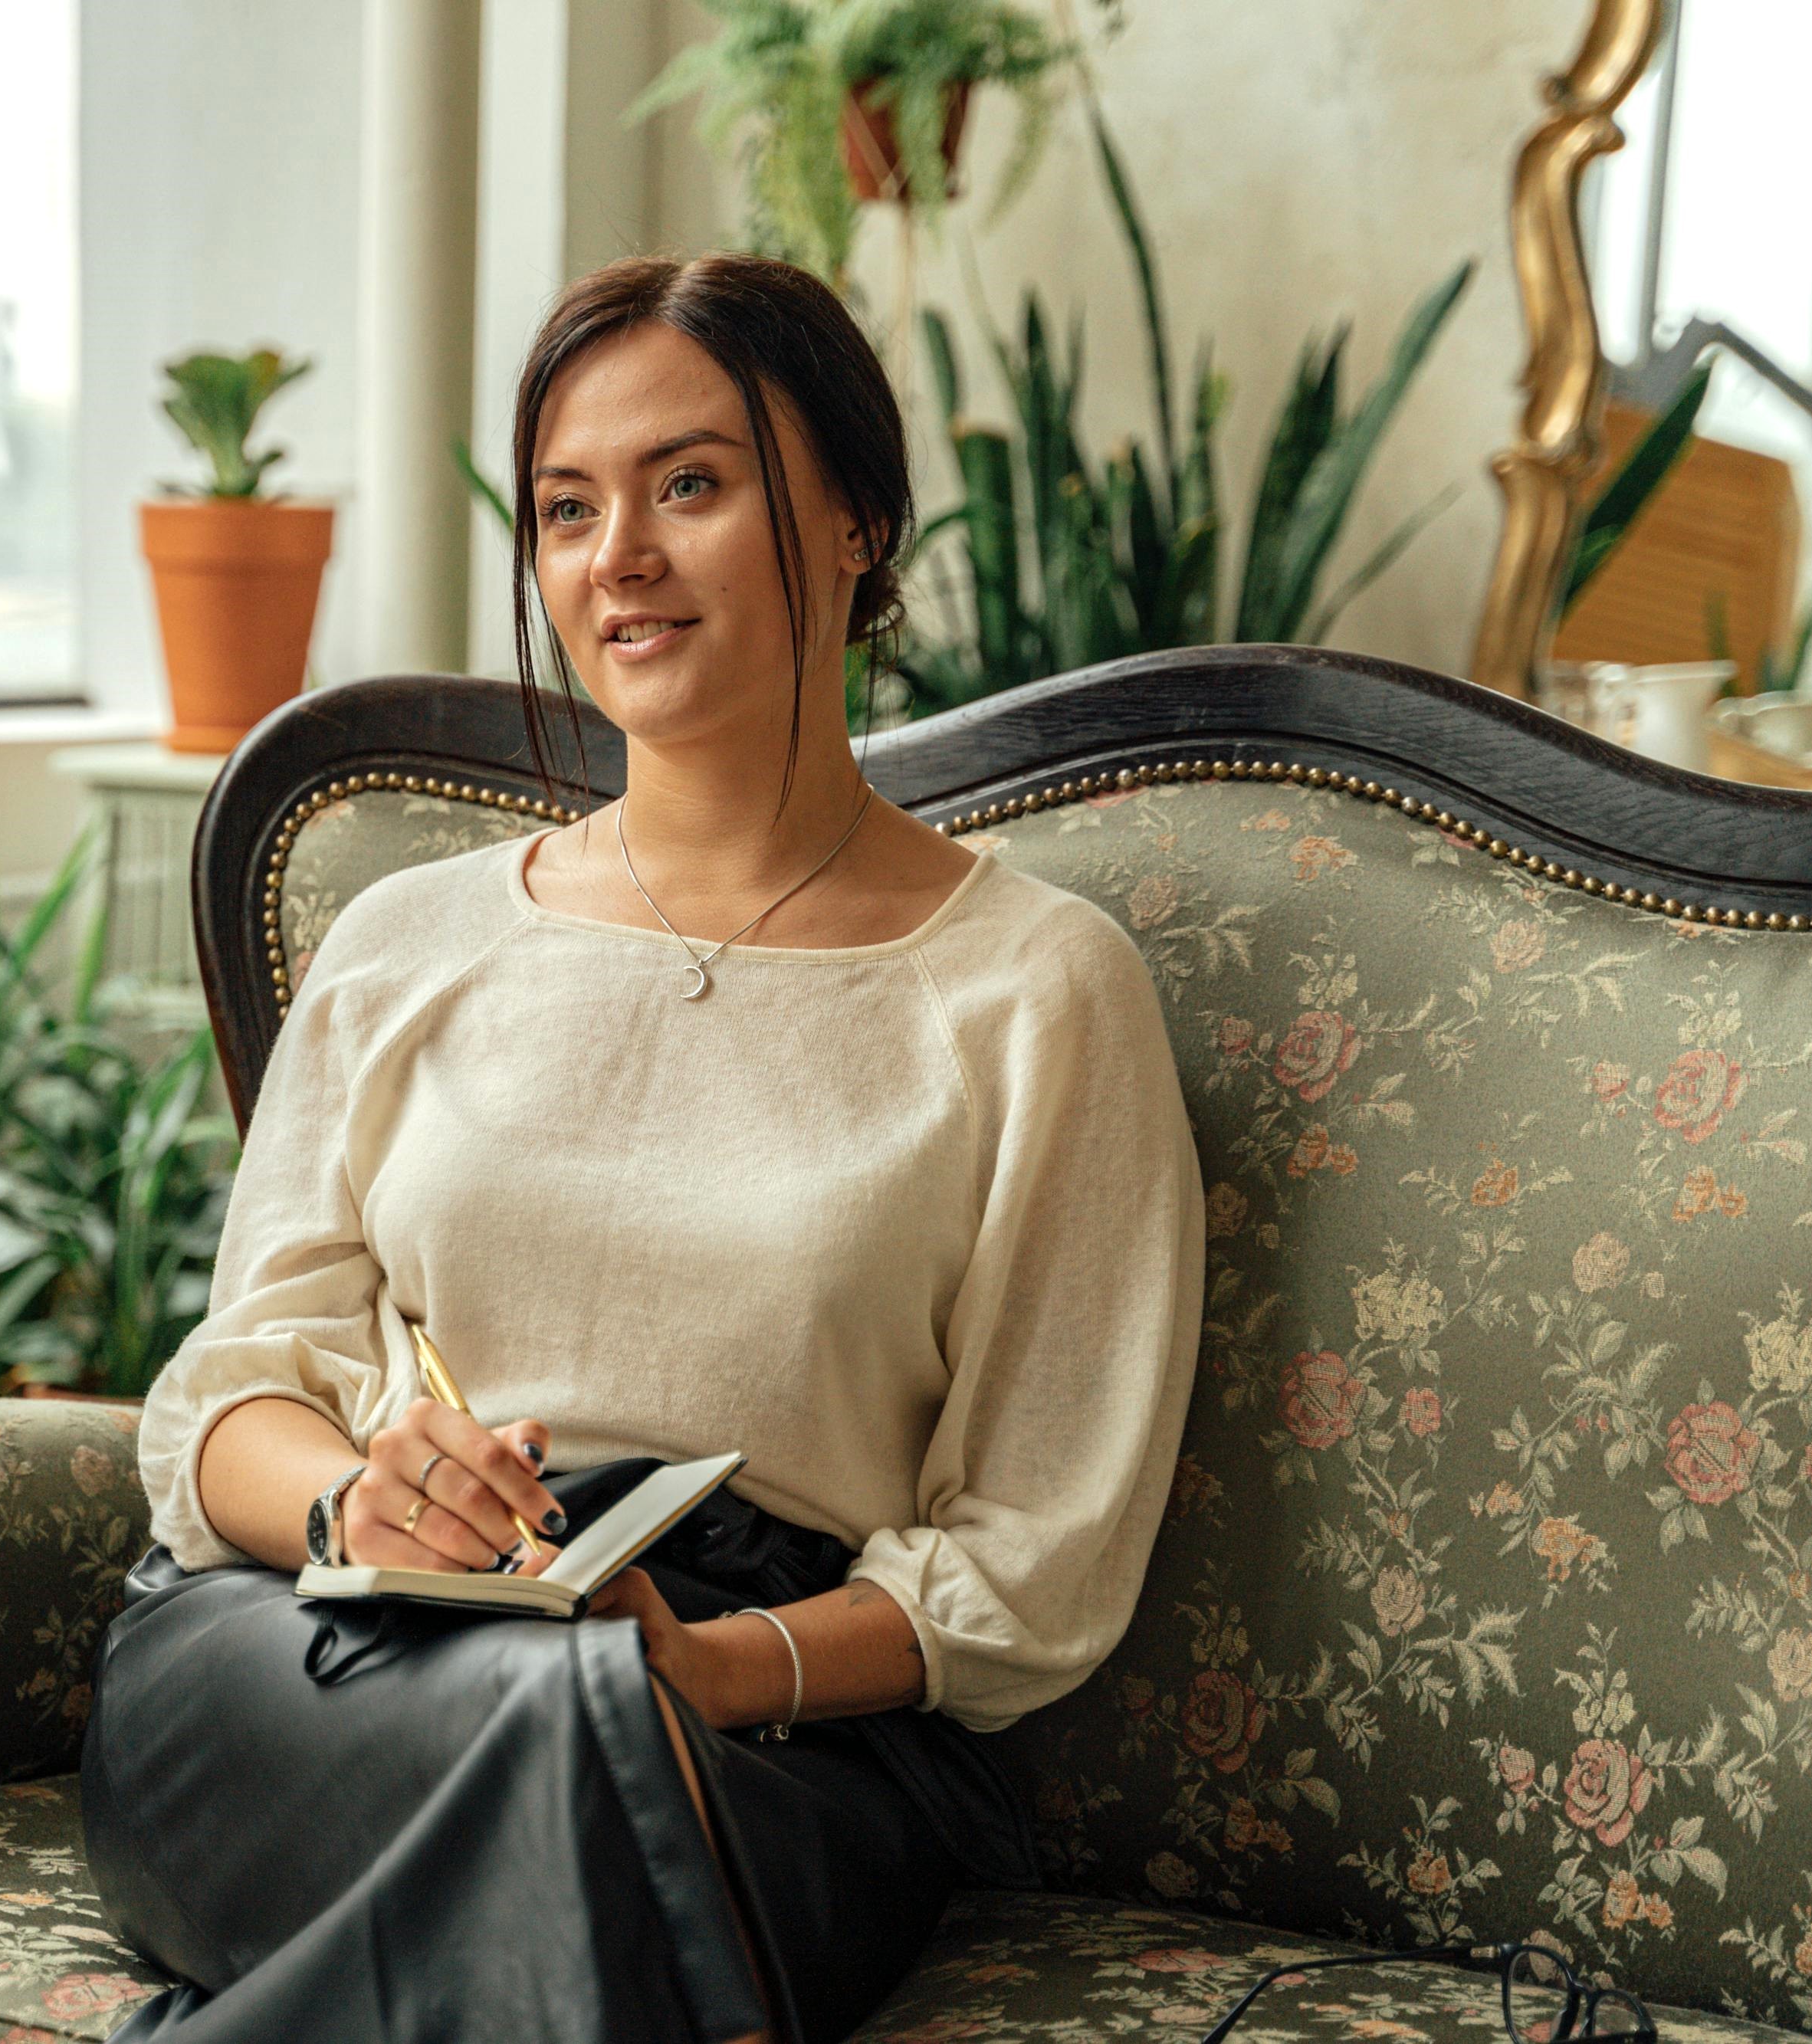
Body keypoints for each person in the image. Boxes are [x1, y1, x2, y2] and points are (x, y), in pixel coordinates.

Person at [77, 251, 1207, 2044]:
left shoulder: (1035, 992)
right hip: (328, 1644)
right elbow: (235, 1386)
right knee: (565, 1769)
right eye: (563, 507)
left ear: (852, 523)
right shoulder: (406, 941)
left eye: (689, 483)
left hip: (758, 1714)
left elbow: (1031, 1555)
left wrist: (710, 1667)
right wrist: (343, 1492)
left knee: (594, 1759)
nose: (616, 555)